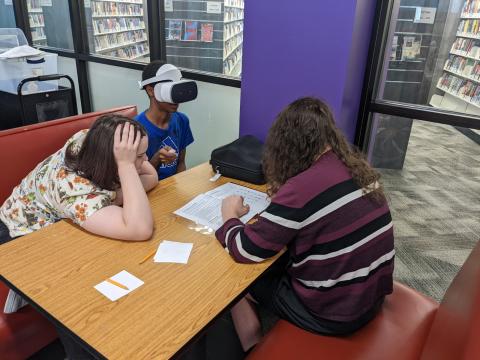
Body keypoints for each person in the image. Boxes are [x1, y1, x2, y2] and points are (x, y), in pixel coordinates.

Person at [215, 97, 395, 352]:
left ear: (286, 145)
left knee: (238, 283)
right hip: (371, 297)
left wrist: (229, 216)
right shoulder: (354, 168)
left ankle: (255, 349)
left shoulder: (301, 188)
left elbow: (245, 249)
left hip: (336, 315)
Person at [136, 60, 195, 180]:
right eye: (170, 90)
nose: (176, 98)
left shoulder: (182, 120)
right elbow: (136, 179)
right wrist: (157, 159)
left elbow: (181, 163)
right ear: (150, 90)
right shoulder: (135, 128)